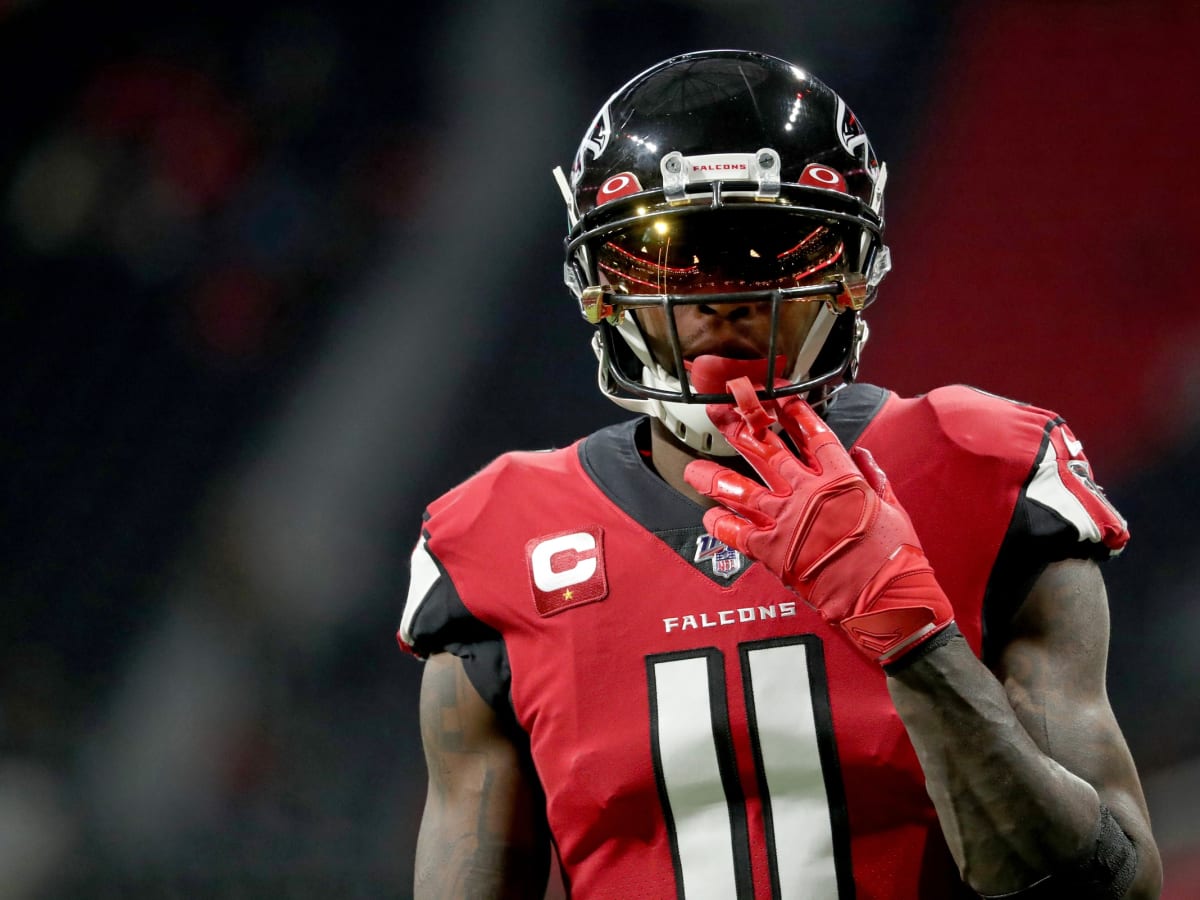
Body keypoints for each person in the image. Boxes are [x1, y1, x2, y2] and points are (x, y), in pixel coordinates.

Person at [397, 49, 1162, 899]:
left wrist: (919, 646)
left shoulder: (986, 468)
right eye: (668, 255)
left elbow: (1113, 887)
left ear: (849, 272)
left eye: (769, 249)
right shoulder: (497, 537)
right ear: (599, 284)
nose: (717, 294)